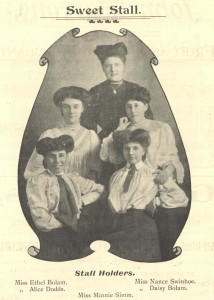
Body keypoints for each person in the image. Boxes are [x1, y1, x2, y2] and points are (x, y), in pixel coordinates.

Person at [100, 87, 190, 260]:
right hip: (128, 177)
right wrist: (118, 131)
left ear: (146, 106)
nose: (133, 110)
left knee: (161, 226)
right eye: (128, 107)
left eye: (137, 105)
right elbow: (106, 155)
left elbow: (172, 156)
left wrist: (167, 171)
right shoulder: (122, 131)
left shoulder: (160, 127)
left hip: (156, 178)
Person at [26, 135, 105, 261]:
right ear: (45, 159)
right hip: (52, 233)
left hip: (76, 230)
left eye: (61, 155)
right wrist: (65, 224)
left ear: (67, 157)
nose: (58, 160)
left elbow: (100, 189)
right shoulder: (38, 181)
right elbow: (40, 217)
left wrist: (81, 201)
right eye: (52, 156)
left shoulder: (73, 178)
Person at [103, 129, 161, 262]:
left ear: (144, 151)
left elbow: (177, 198)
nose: (131, 153)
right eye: (126, 149)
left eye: (135, 148)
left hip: (140, 227)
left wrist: (154, 202)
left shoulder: (152, 174)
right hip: (117, 225)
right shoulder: (116, 176)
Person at [24, 86, 101, 181]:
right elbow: (33, 170)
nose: (71, 111)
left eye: (76, 107)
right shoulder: (49, 135)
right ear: (61, 109)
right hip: (53, 190)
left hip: (82, 190)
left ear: (83, 108)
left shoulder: (91, 137)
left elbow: (95, 171)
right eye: (66, 107)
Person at [82, 42, 153, 139]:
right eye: (108, 66)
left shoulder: (135, 89)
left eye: (117, 65)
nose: (113, 69)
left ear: (124, 66)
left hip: (134, 139)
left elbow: (148, 119)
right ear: (103, 68)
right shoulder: (95, 91)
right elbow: (87, 124)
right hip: (105, 140)